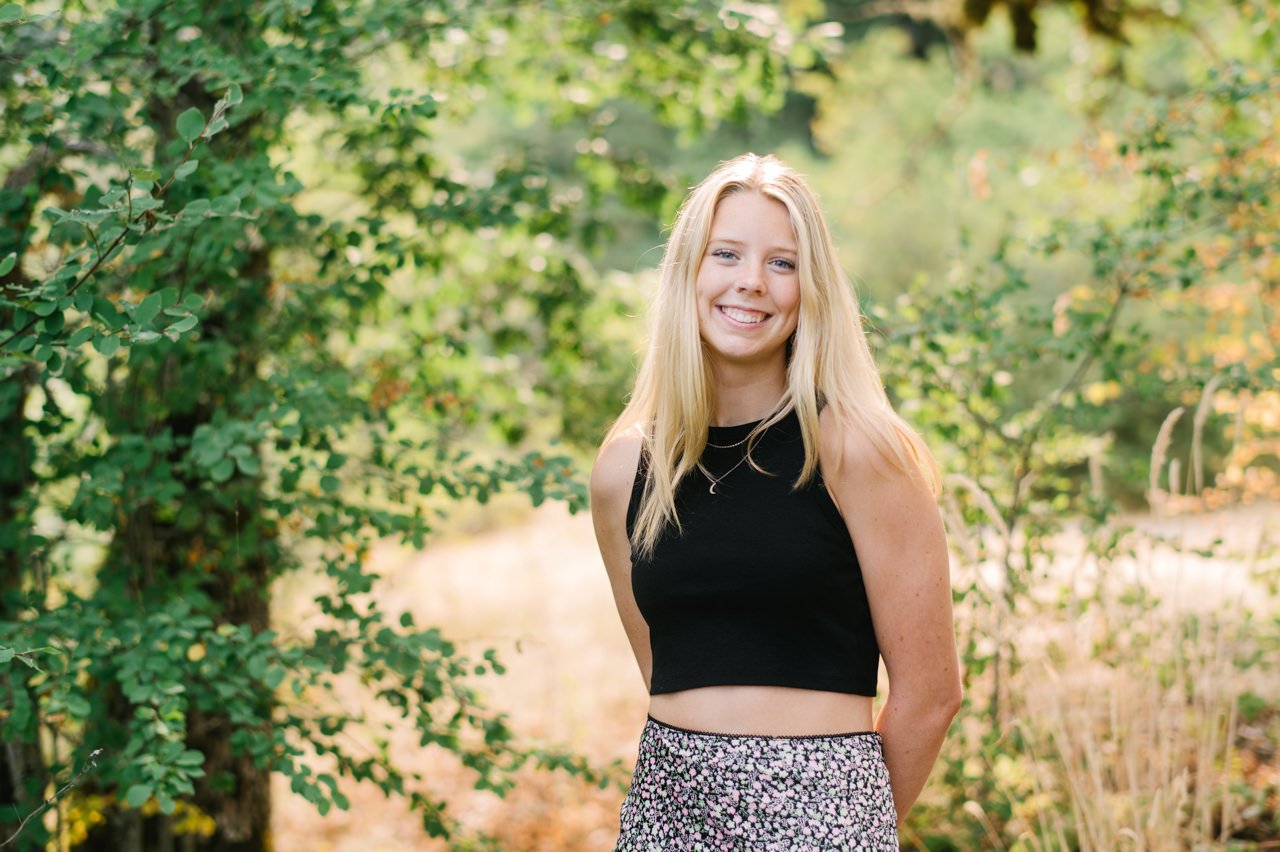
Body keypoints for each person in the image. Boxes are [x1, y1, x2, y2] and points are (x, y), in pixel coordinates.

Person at [589, 153, 962, 850]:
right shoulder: (623, 470)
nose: (751, 283)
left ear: (811, 288)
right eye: (725, 253)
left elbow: (931, 696)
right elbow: (659, 668)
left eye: (783, 263)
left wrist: (848, 829)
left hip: (823, 816)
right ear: (687, 272)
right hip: (668, 817)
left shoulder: (859, 452)